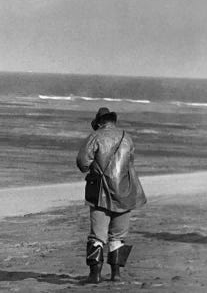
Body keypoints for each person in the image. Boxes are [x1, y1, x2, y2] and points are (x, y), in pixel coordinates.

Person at [76, 107, 146, 283]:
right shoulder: (127, 137)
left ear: (99, 122)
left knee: (97, 235)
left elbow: (82, 163)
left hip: (101, 192)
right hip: (125, 191)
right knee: (118, 236)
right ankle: (116, 274)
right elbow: (130, 162)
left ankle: (95, 275)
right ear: (113, 121)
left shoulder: (96, 136)